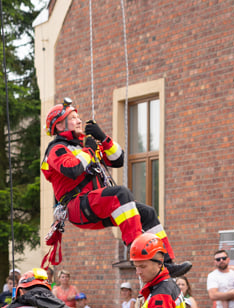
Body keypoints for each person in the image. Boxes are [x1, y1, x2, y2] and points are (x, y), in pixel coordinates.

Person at [41, 98, 191, 278]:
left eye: (78, 117)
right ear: (59, 126)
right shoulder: (56, 149)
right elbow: (72, 170)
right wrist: (88, 151)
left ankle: (166, 263)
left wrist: (103, 137)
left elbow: (118, 159)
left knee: (147, 213)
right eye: (73, 118)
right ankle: (138, 250)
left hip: (97, 203)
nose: (79, 120)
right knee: (121, 194)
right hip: (77, 205)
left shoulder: (84, 145)